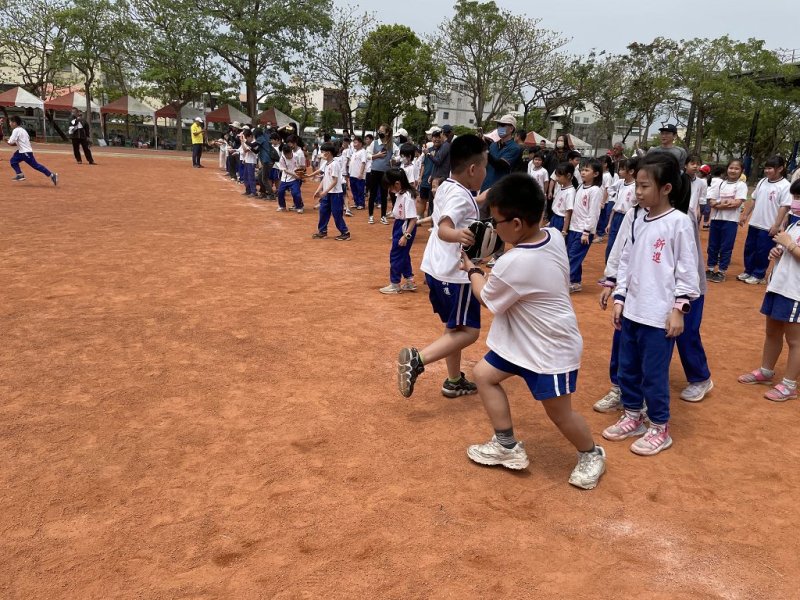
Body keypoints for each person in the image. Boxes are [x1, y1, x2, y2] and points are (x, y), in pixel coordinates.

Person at [460, 173, 606, 489]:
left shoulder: (515, 262)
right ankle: (506, 445)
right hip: (522, 340)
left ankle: (591, 453)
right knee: (484, 375)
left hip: (549, 348)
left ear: (516, 224)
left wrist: (472, 268)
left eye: (496, 221)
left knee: (560, 414)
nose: (493, 227)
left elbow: (486, 298)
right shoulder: (551, 235)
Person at [602, 153, 700, 455]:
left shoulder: (679, 222)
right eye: (637, 185)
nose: (638, 191)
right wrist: (620, 297)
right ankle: (633, 415)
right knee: (628, 369)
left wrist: (678, 309)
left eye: (645, 186)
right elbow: (627, 261)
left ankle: (659, 426)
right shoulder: (637, 219)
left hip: (659, 317)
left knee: (654, 374)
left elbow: (687, 270)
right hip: (632, 311)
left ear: (666, 188)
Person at [397, 135, 487, 399]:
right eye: (485, 166)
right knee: (469, 332)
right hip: (455, 274)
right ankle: (418, 360)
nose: (486, 172)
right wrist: (459, 235)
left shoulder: (448, 186)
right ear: (473, 169)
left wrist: (483, 199)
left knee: (454, 329)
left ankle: (454, 380)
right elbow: (444, 228)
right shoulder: (461, 196)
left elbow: (457, 207)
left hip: (436, 268)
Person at [738, 196, 800, 401]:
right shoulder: (795, 224)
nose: (795, 202)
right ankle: (766, 371)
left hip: (795, 292)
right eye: (795, 197)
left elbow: (792, 247)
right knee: (772, 332)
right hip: (778, 286)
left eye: (799, 198)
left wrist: (789, 245)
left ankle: (789, 385)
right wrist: (778, 251)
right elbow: (787, 248)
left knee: (795, 340)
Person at [738, 156, 791, 285]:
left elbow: (784, 207)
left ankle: (759, 274)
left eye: (770, 168)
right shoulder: (762, 181)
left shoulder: (785, 185)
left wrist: (776, 225)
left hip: (769, 225)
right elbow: (754, 199)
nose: (767, 171)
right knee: (750, 248)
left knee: (763, 251)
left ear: (780, 169)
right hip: (755, 222)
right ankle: (748, 270)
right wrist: (745, 215)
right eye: (766, 168)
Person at [706, 159, 747, 282]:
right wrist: (723, 203)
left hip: (730, 221)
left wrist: (718, 204)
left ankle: (722, 271)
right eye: (731, 168)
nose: (733, 171)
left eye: (736, 168)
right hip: (716, 219)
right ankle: (710, 268)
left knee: (726, 246)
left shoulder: (741, 185)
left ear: (741, 171)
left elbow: (736, 203)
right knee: (713, 245)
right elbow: (711, 201)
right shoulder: (720, 184)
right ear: (727, 169)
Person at [565, 160, 603, 293]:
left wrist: (587, 231)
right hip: (574, 228)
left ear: (596, 174)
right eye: (582, 170)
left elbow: (594, 213)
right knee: (572, 255)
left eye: (587, 170)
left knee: (573, 256)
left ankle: (568, 281)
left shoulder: (595, 190)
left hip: (583, 231)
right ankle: (575, 282)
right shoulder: (581, 186)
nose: (583, 172)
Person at [380, 168, 419, 294]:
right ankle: (409, 281)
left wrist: (405, 236)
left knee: (396, 256)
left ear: (397, 184)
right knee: (403, 254)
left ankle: (395, 284)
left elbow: (413, 219)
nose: (389, 190)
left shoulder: (407, 197)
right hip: (400, 225)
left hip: (405, 227)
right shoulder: (401, 194)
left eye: (390, 186)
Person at [311, 141, 350, 241]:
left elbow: (335, 181)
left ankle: (345, 232)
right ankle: (322, 231)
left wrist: (325, 191)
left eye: (323, 152)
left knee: (336, 213)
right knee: (323, 211)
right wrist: (318, 190)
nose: (321, 154)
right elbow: (325, 179)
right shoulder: (326, 164)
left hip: (335, 194)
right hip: (328, 193)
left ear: (328, 153)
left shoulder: (334, 164)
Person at [3, 116, 57, 185]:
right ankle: (20, 175)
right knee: (13, 161)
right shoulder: (23, 130)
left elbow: (10, 142)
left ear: (14, 123)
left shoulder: (16, 130)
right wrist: (7, 141)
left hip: (25, 152)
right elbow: (16, 143)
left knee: (35, 165)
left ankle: (52, 175)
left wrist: (5, 140)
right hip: (22, 151)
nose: (9, 123)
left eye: (10, 122)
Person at [605, 157, 638, 262]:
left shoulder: (636, 186)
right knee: (610, 244)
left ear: (631, 171)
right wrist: (609, 223)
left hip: (627, 218)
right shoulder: (620, 182)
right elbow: (610, 190)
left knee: (623, 244)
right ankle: (608, 267)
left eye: (622, 169)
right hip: (616, 216)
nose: (619, 171)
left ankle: (619, 268)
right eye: (619, 169)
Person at [480, 114, 522, 194]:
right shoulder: (493, 145)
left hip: (500, 192)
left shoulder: (514, 148)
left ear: (511, 129)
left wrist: (486, 149)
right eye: (498, 125)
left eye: (502, 125)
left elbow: (499, 165)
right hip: (485, 188)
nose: (499, 128)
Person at [367, 124, 392, 225]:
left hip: (385, 172)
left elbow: (398, 155)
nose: (379, 132)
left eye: (382, 131)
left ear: (387, 133)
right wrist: (377, 155)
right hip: (374, 171)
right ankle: (371, 216)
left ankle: (383, 216)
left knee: (384, 194)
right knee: (372, 194)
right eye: (379, 130)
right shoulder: (374, 142)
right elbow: (368, 155)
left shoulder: (391, 144)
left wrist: (394, 159)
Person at [276, 144, 304, 213]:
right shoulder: (282, 158)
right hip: (285, 178)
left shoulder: (296, 156)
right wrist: (294, 174)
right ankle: (282, 206)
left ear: (291, 151)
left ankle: (299, 207)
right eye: (286, 155)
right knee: (280, 192)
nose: (287, 156)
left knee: (296, 193)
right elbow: (285, 170)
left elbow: (301, 167)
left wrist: (300, 175)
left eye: (289, 154)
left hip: (294, 179)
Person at [549, 163, 576, 235]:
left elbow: (568, 213)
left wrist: (564, 230)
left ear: (568, 175)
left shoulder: (570, 192)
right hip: (555, 218)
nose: (556, 178)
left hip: (560, 220)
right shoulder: (561, 187)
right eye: (556, 176)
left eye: (559, 176)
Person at [349, 136, 367, 210]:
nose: (354, 144)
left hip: (359, 175)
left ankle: (361, 204)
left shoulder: (363, 151)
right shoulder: (354, 152)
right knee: (354, 190)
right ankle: (356, 203)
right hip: (352, 174)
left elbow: (363, 163)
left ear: (360, 143)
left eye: (356, 143)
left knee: (360, 190)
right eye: (354, 143)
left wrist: (361, 173)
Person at [239, 129, 258, 197]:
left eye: (247, 137)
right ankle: (248, 190)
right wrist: (242, 141)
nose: (246, 139)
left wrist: (243, 141)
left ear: (250, 136)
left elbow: (245, 150)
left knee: (251, 177)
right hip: (247, 161)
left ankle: (253, 191)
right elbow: (244, 151)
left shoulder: (254, 143)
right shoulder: (248, 142)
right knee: (245, 177)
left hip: (251, 161)